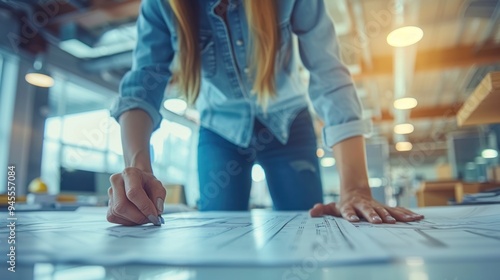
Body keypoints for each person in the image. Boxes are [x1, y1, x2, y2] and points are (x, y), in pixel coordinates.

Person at [107, 0, 423, 226]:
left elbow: (328, 74)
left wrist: (355, 187)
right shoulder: (159, 6)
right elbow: (144, 82)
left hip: (288, 124)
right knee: (217, 231)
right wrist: (138, 171)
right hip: (220, 131)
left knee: (306, 225)